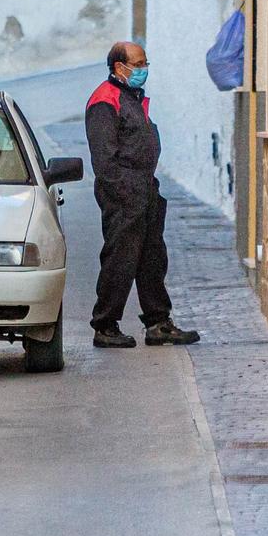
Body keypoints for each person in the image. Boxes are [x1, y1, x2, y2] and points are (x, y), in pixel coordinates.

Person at [83, 41, 200, 349]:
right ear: (120, 68)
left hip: (145, 188)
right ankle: (105, 325)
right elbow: (104, 160)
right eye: (138, 64)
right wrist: (126, 193)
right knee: (120, 258)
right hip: (124, 192)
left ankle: (158, 323)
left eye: (145, 63)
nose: (143, 70)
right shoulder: (105, 101)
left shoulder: (132, 98)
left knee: (152, 258)